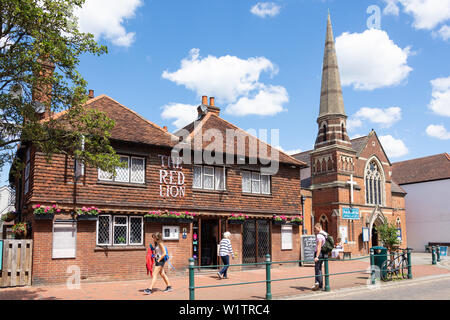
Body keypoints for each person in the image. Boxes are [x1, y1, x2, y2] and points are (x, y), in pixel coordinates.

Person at [312, 223, 327, 291]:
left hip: (319, 253)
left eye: (315, 229)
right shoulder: (324, 234)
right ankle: (318, 284)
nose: (314, 230)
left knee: (318, 270)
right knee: (319, 269)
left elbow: (319, 246)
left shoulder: (319, 236)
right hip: (322, 253)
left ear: (319, 227)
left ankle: (320, 286)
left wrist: (317, 256)